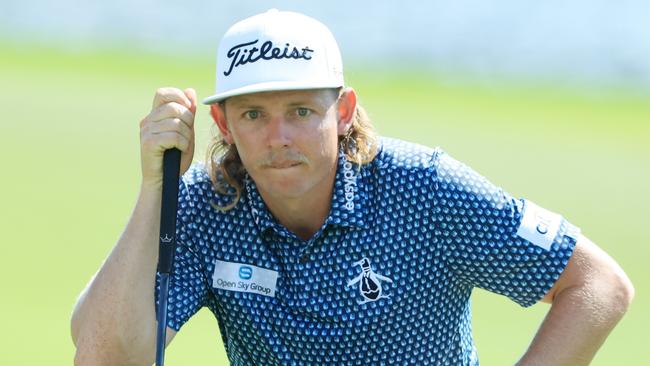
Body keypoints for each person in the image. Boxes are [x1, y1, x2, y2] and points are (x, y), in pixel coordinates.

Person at [71, 9, 634, 366]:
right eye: (252, 115)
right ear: (223, 125)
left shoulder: (424, 190)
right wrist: (156, 190)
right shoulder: (204, 206)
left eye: (299, 110)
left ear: (343, 111)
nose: (278, 137)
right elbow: (104, 357)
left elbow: (598, 285)